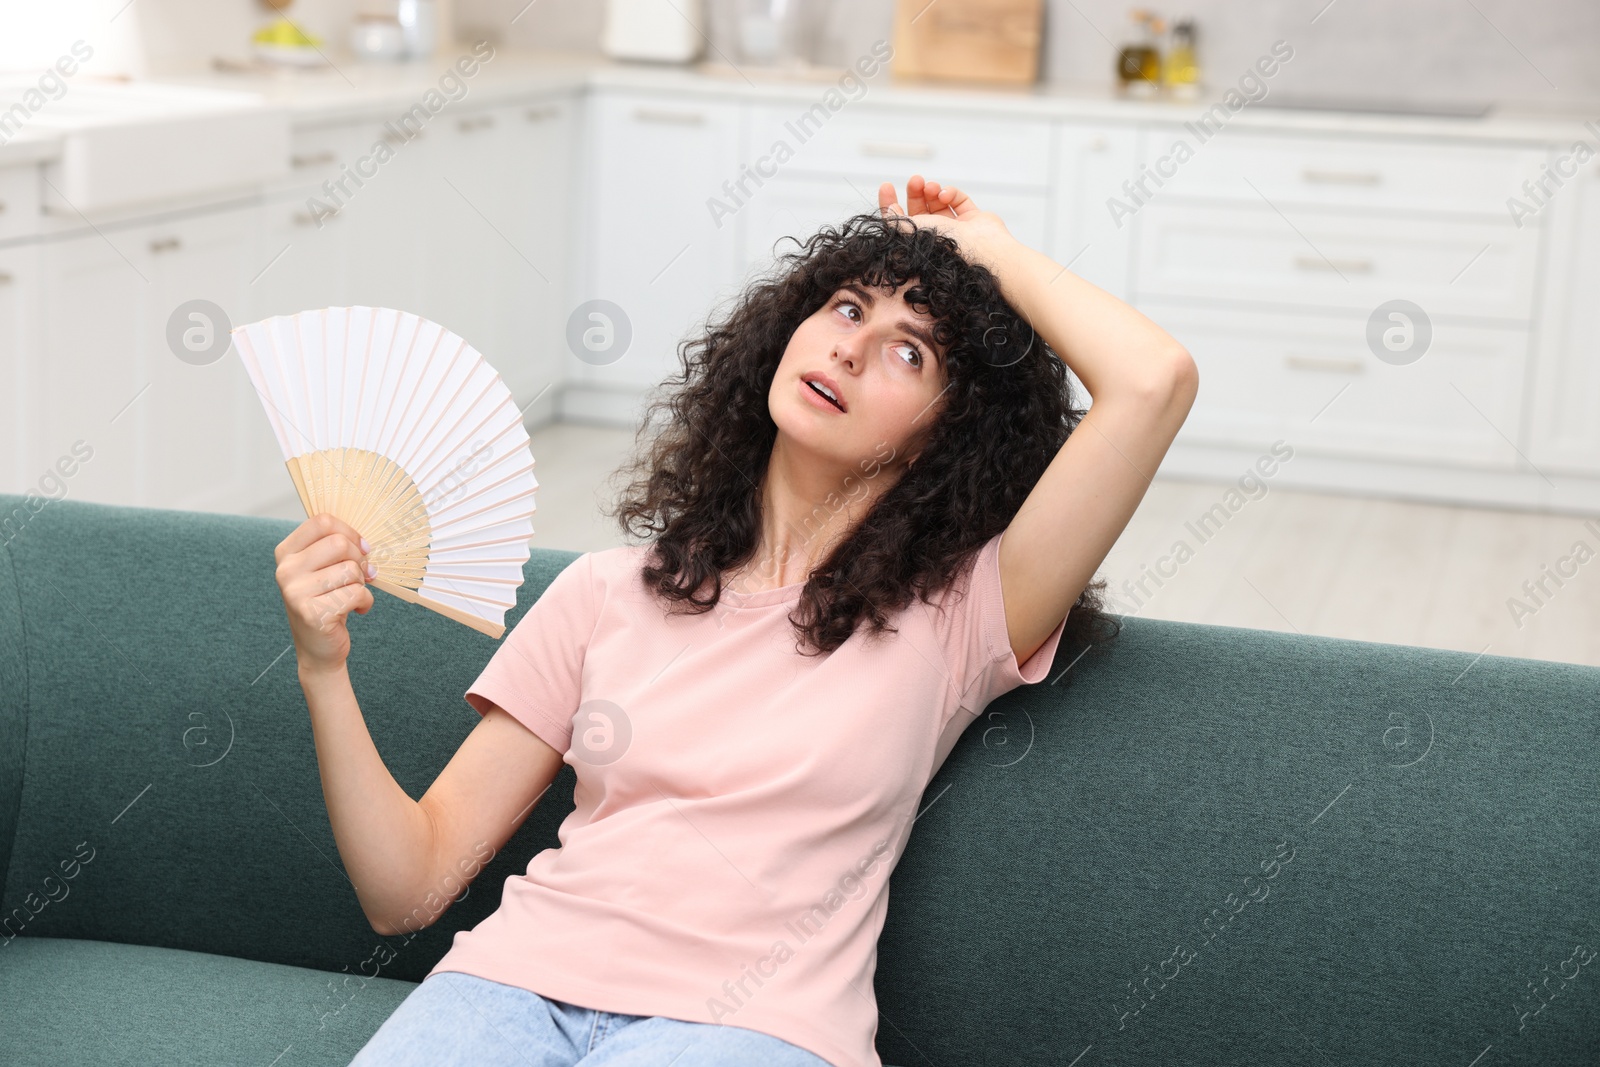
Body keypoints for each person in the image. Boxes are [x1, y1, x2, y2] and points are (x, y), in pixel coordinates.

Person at [272, 175, 1198, 1067]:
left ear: (945, 434)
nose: (850, 348)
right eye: (846, 307)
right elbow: (410, 889)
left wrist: (984, 248)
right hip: (507, 987)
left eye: (910, 351)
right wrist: (323, 667)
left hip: (754, 1027)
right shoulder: (605, 592)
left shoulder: (960, 614)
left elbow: (1153, 381)